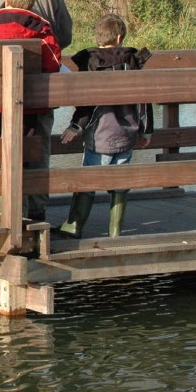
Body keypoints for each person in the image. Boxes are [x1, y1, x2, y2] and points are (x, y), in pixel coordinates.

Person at [0, 0, 63, 221]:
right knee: (37, 155)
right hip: (32, 104)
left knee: (4, 155)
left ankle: (4, 207)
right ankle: (34, 209)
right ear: (31, 2)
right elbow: (53, 64)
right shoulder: (41, 28)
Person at [56, 14, 153, 239]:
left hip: (98, 135)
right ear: (120, 37)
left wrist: (75, 126)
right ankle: (115, 231)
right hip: (126, 135)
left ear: (98, 37)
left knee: (88, 179)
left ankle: (74, 225)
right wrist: (146, 130)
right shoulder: (133, 62)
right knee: (120, 181)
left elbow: (86, 103)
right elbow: (145, 100)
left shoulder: (91, 61)